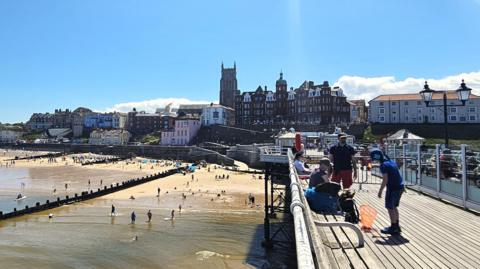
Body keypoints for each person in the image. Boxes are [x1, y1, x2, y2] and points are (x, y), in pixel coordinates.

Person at [371, 149, 405, 235]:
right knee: (394, 207)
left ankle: (393, 227)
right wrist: (376, 166)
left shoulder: (383, 166)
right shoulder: (390, 162)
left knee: (390, 208)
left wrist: (380, 191)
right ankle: (397, 226)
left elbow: (385, 180)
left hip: (392, 188)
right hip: (400, 187)